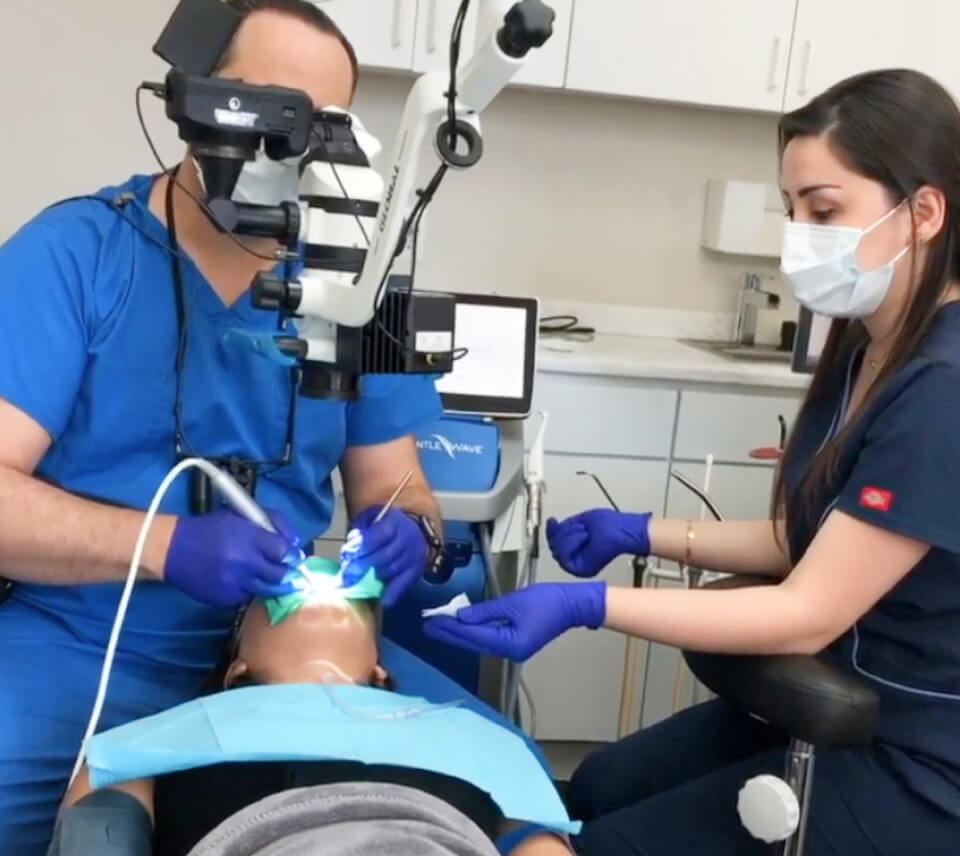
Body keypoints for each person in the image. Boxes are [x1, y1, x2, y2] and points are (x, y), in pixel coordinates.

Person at [425, 68, 960, 855]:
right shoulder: (867, 351)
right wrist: (641, 531)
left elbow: (807, 607)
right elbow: (806, 536)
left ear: (923, 211)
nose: (800, 235)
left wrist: (586, 607)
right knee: (598, 788)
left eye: (824, 210)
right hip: (827, 704)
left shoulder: (942, 388)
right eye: (792, 210)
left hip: (909, 755)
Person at [0, 3, 444, 851]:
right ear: (196, 101)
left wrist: (408, 528)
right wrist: (167, 545)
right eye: (265, 110)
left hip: (291, 666)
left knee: (506, 803)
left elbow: (397, 485)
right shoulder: (74, 257)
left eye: (315, 126)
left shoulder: (356, 284)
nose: (285, 147)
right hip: (80, 645)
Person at [50, 562, 575, 856]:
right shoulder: (182, 728)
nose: (316, 577)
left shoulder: (466, 731)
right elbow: (101, 807)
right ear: (237, 671)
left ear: (380, 670)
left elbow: (538, 839)